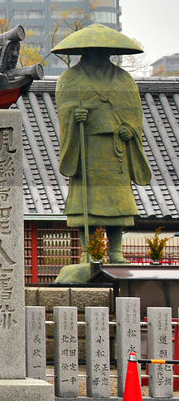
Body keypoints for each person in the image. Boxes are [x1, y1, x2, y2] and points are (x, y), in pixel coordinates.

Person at [53, 26, 151, 264]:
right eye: (94, 50)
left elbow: (134, 114)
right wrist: (75, 117)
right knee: (85, 203)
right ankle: (88, 252)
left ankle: (116, 252)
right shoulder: (70, 79)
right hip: (86, 149)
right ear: (85, 51)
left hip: (116, 151)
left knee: (118, 203)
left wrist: (131, 129)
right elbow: (64, 111)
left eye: (103, 50)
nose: (99, 54)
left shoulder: (123, 79)